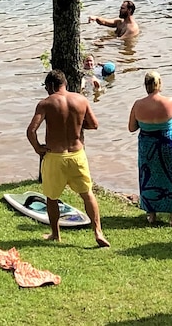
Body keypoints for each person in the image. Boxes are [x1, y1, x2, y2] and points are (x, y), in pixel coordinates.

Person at [25, 69, 109, 247]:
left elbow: (31, 131)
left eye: (46, 87)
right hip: (77, 155)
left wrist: (38, 148)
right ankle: (98, 232)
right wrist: (77, 124)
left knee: (51, 197)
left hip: (55, 156)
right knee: (87, 194)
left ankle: (56, 234)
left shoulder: (46, 103)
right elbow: (94, 124)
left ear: (51, 86)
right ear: (65, 84)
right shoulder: (81, 100)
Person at [128, 70, 172, 226]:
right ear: (159, 84)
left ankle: (152, 215)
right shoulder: (170, 101)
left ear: (145, 85)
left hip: (147, 146)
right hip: (168, 144)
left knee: (149, 177)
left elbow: (132, 128)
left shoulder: (138, 104)